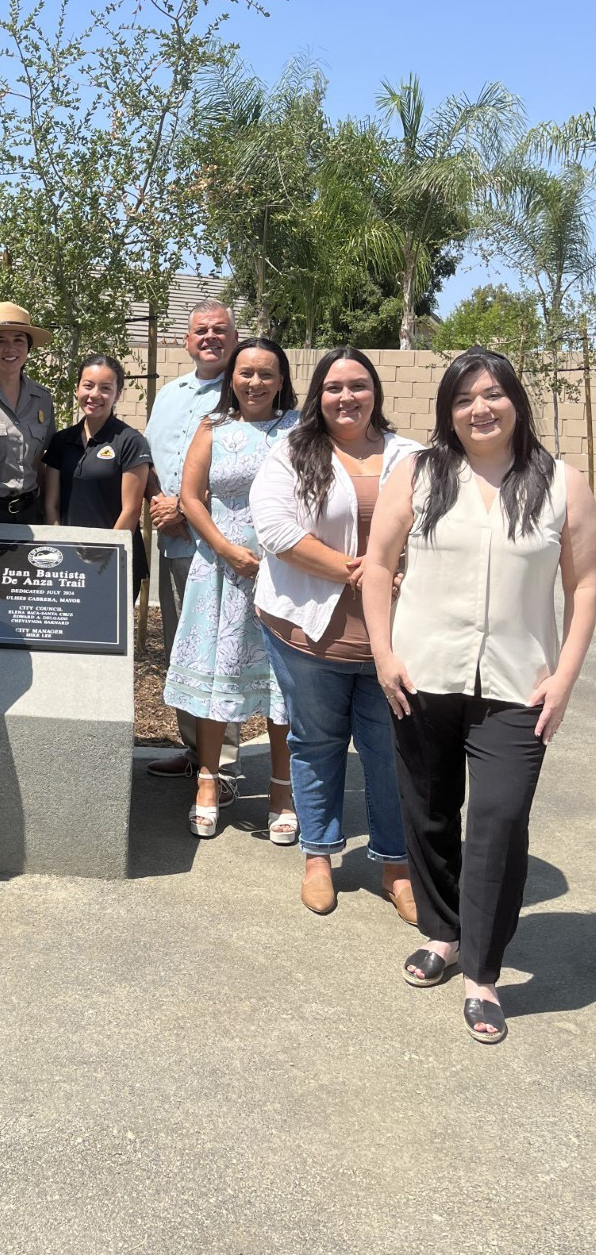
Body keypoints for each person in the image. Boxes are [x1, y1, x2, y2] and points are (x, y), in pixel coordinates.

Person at [363, 348, 596, 1045]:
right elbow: (377, 565)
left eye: (492, 394)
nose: (480, 408)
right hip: (422, 677)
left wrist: (565, 675)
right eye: (464, 399)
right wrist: (383, 652)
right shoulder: (420, 474)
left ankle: (482, 973)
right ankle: (442, 934)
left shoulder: (562, 484)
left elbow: (584, 586)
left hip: (518, 688)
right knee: (429, 814)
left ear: (515, 401)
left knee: (497, 822)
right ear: (448, 412)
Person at [250, 347, 420, 919]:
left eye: (358, 385)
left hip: (391, 642)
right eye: (333, 387)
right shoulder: (292, 451)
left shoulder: (412, 456)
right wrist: (358, 571)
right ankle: (319, 855)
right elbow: (273, 525)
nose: (346, 397)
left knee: (389, 753)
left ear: (375, 392)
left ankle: (396, 865)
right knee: (316, 743)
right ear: (316, 396)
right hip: (307, 631)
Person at [163, 339, 298, 841]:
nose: (255, 383)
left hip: (284, 576)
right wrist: (226, 549)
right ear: (231, 379)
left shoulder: (301, 428)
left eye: (266, 374)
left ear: (282, 379)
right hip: (220, 570)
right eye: (245, 373)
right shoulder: (214, 427)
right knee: (216, 677)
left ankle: (282, 787)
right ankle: (208, 779)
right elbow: (192, 499)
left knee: (282, 684)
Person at [144, 302, 242, 793]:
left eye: (220, 330)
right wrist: (161, 504)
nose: (209, 337)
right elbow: (152, 460)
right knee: (184, 649)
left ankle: (220, 765)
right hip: (175, 544)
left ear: (234, 337)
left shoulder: (248, 390)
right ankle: (193, 751)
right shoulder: (168, 396)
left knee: (220, 650)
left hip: (221, 545)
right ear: (187, 341)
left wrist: (187, 509)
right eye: (200, 330)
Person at [43, 354, 151, 597]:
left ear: (118, 394)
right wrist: (62, 549)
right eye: (88, 385)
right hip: (67, 560)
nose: (94, 395)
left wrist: (103, 555)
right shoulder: (62, 441)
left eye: (105, 388)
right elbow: (51, 504)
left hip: (114, 560)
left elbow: (131, 511)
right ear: (77, 388)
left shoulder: (130, 442)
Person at [0, 302, 56, 525]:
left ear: (28, 347)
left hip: (30, 513)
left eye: (18, 340)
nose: (10, 348)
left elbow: (41, 460)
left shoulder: (43, 399)